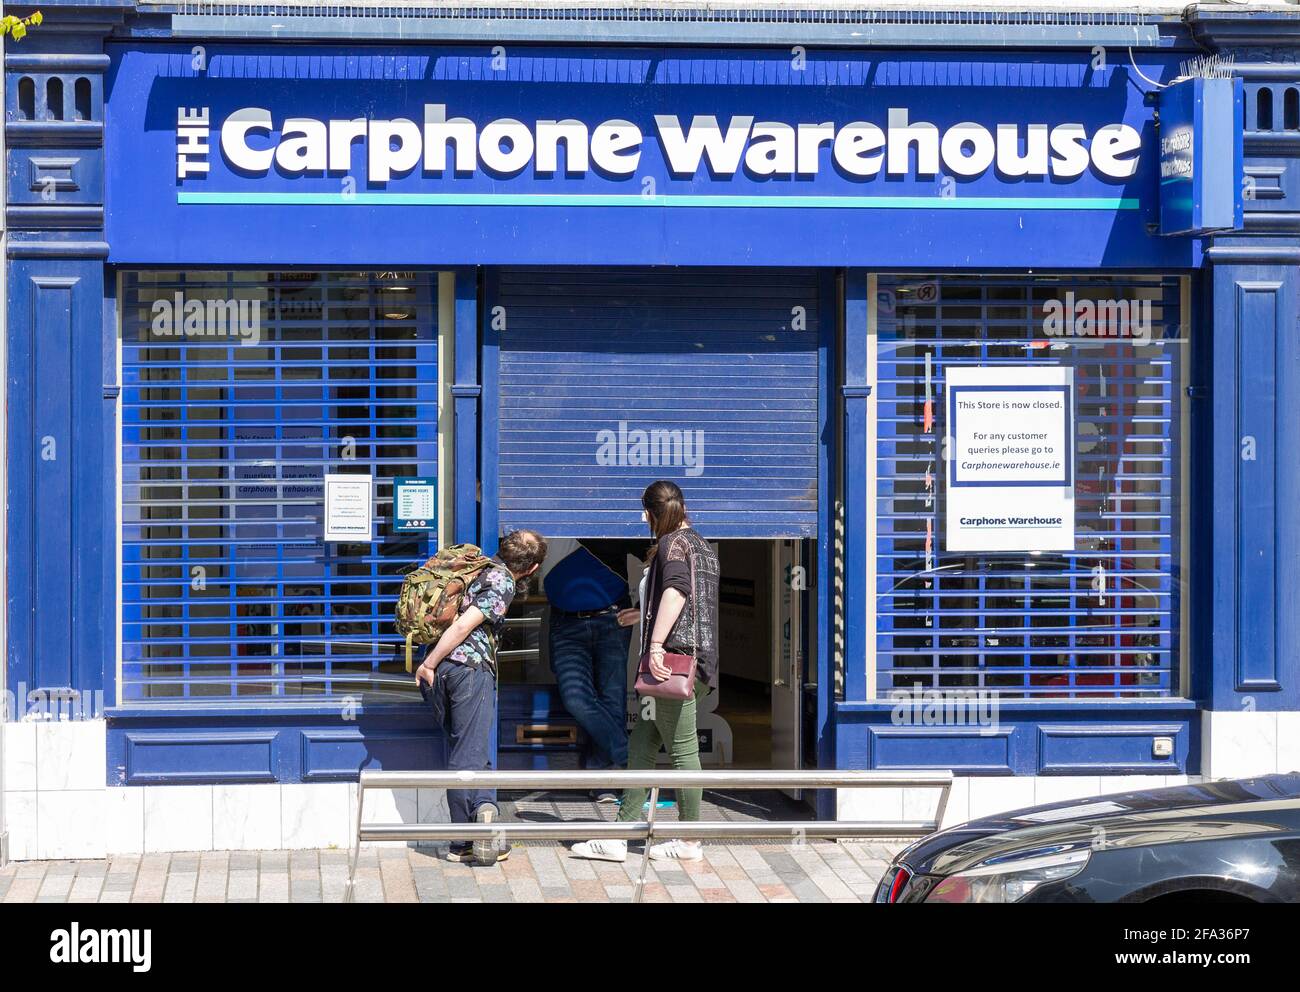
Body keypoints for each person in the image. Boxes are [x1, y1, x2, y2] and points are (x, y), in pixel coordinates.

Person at [570, 481, 719, 864]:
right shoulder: (700, 544)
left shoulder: (672, 544)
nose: (641, 518)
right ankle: (621, 835)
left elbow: (677, 593)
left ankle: (689, 842)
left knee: (683, 749)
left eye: (644, 512)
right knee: (642, 742)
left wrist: (654, 644)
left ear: (655, 513)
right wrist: (643, 615)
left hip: (671, 662)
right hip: (695, 662)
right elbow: (688, 604)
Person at [415, 529, 547, 865]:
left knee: (471, 747)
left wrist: (434, 662)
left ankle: (484, 816)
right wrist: (427, 665)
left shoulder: (479, 568)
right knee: (466, 755)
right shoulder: (503, 582)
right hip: (467, 671)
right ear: (531, 569)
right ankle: (462, 842)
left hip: (447, 669)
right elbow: (462, 627)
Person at [540, 539, 638, 803]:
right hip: (565, 622)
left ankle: (604, 779)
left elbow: (658, 556)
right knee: (576, 699)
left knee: (612, 700)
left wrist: (645, 608)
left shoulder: (605, 516)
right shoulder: (545, 514)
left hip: (612, 618)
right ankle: (631, 761)